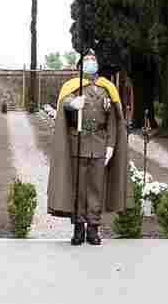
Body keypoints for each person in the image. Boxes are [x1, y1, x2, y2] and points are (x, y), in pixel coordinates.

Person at [47, 50, 130, 245]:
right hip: (78, 142)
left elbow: (113, 119)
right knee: (78, 189)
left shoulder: (107, 88)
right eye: (87, 60)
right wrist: (73, 103)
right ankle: (78, 228)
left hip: (99, 144)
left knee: (95, 188)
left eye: (94, 59)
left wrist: (111, 145)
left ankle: (93, 228)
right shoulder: (73, 87)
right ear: (80, 66)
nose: (91, 62)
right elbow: (64, 103)